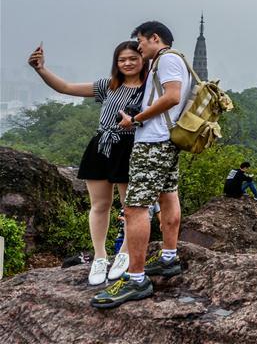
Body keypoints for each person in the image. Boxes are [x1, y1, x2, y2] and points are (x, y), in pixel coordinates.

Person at [28, 40, 147, 285]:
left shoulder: (149, 89)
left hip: (130, 147)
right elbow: (66, 87)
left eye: (133, 58)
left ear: (143, 60)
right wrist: (41, 69)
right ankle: (100, 256)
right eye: (122, 59)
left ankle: (124, 252)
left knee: (130, 207)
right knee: (99, 205)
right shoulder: (109, 85)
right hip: (102, 144)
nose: (127, 63)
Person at [91, 21, 192, 309]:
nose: (138, 47)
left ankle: (136, 279)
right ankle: (168, 258)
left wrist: (136, 119)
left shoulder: (167, 60)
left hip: (153, 142)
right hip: (167, 141)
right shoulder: (174, 60)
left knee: (135, 208)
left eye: (140, 42)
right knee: (168, 194)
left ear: (154, 38)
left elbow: (172, 97)